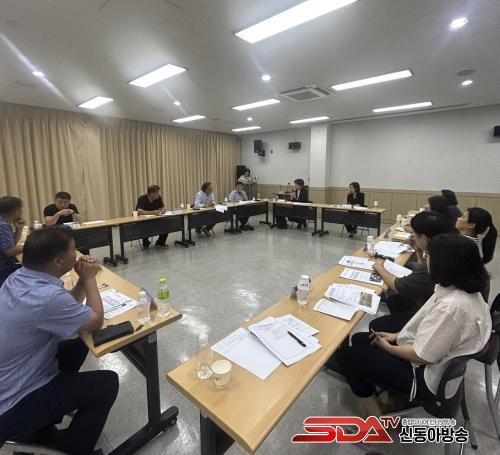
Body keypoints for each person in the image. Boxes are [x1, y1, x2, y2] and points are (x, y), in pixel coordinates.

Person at [328, 233, 491, 418]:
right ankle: (392, 396)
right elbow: (425, 326)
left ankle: (377, 417)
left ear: (443, 265)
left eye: (428, 255)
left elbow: (421, 355)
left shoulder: (452, 308)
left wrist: (388, 347)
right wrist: (396, 336)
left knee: (347, 355)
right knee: (360, 339)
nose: (426, 259)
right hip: (434, 359)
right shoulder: (465, 290)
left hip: (424, 378)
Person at [0, 227, 119, 454]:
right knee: (107, 383)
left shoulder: (19, 277)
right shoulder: (47, 297)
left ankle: (44, 424)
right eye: (73, 251)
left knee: (78, 346)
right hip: (12, 402)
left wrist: (82, 280)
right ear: (58, 261)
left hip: (14, 374)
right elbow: (95, 321)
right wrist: (89, 278)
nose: (78, 254)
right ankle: (76, 449)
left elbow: (64, 308)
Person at [369, 211, 456, 333]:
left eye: (414, 234)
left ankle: (400, 333)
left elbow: (399, 285)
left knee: (375, 324)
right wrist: (418, 250)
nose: (412, 236)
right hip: (429, 304)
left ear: (424, 238)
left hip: (427, 316)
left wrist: (379, 268)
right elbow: (423, 271)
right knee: (394, 300)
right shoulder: (445, 249)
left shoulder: (435, 262)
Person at [0, 196, 25, 286]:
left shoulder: (4, 223)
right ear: (15, 210)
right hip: (4, 269)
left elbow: (11, 244)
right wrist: (31, 244)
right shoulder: (2, 225)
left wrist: (19, 229)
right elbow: (9, 252)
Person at [136, 185, 168, 249]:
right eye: (157, 192)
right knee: (145, 225)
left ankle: (160, 243)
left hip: (154, 219)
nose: (159, 194)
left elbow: (164, 209)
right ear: (151, 193)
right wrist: (153, 212)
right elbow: (139, 211)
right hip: (143, 221)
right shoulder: (142, 199)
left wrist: (161, 212)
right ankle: (145, 244)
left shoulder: (158, 198)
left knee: (166, 223)